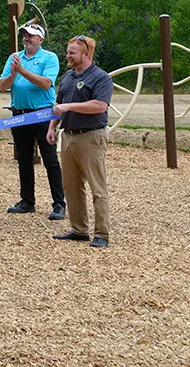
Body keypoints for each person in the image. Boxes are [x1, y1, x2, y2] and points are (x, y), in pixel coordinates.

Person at [48, 35, 114, 249]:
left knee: (97, 186)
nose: (67, 55)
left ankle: (102, 234)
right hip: (68, 137)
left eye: (72, 52)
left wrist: (69, 107)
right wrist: (52, 127)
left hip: (91, 137)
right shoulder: (67, 77)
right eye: (68, 51)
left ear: (86, 54)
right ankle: (79, 230)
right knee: (71, 186)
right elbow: (58, 104)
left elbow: (100, 106)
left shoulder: (101, 78)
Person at [0, 22, 64, 220]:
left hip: (42, 114)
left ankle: (59, 204)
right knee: (24, 159)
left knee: (50, 159)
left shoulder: (49, 57)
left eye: (31, 35)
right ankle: (27, 201)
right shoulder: (14, 58)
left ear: (40, 39)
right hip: (19, 114)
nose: (27, 38)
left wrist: (22, 71)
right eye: (25, 35)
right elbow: (2, 85)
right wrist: (13, 73)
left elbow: (46, 83)